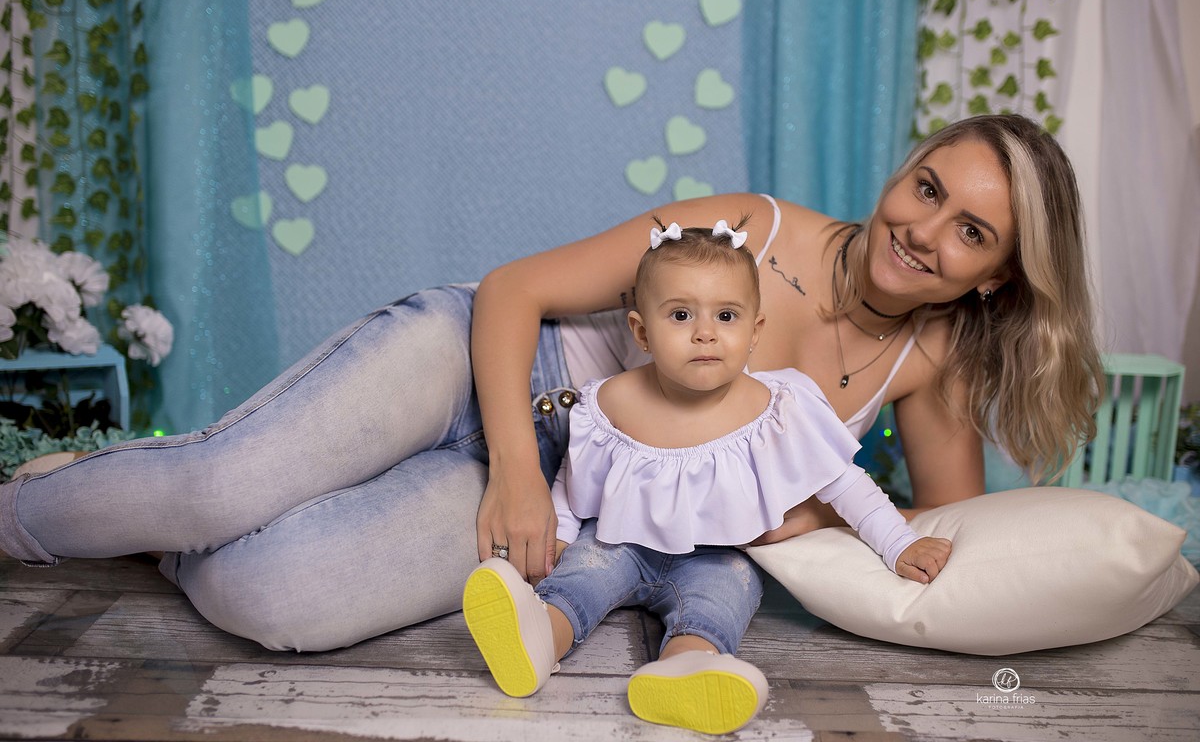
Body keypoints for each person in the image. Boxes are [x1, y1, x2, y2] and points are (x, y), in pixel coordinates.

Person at [0, 114, 1101, 653]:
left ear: (999, 274)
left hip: (570, 503)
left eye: (970, 232)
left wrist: (825, 511)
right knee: (217, 487)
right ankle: (42, 507)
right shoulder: (753, 227)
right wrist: (516, 471)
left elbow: (942, 545)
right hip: (486, 370)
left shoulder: (929, 366)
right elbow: (518, 288)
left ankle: (139, 514)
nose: (922, 230)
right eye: (927, 185)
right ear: (905, 166)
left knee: (272, 598)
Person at [462, 219, 952, 735]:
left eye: (726, 315)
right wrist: (555, 541)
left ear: (755, 330)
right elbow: (572, 482)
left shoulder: (782, 406)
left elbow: (847, 486)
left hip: (719, 557)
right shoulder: (610, 401)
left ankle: (685, 666)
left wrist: (900, 544)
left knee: (725, 596)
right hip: (618, 542)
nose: (705, 332)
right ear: (642, 332)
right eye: (679, 315)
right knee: (582, 574)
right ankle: (540, 634)